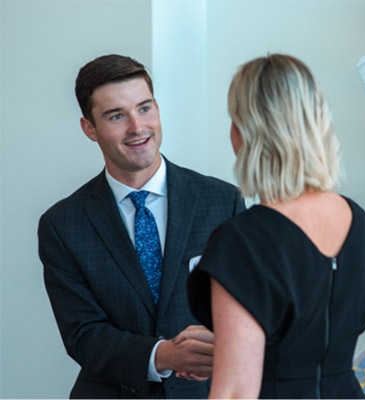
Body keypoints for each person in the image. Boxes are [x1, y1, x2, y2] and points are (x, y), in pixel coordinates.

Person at [38, 54, 245, 399]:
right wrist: (161, 355)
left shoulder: (223, 202)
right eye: (117, 116)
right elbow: (83, 334)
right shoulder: (62, 225)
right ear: (89, 128)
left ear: (157, 109)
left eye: (144, 108)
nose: (137, 127)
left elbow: (248, 310)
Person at [186, 54, 365, 399]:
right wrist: (235, 343)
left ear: (244, 134)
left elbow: (235, 393)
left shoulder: (242, 241)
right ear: (317, 126)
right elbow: (315, 340)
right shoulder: (360, 223)